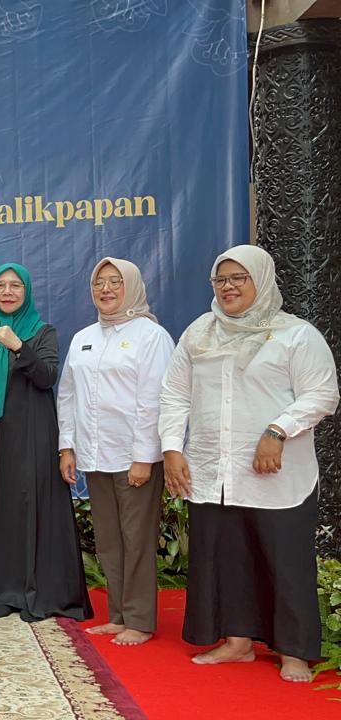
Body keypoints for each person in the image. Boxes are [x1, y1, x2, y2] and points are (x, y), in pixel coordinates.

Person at [159, 244, 338, 683]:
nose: (228, 287)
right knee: (227, 556)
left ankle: (294, 651)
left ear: (261, 280)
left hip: (276, 473)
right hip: (213, 469)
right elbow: (174, 394)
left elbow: (322, 393)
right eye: (221, 279)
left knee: (285, 560)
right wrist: (172, 447)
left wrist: (278, 430)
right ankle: (236, 642)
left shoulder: (295, 334)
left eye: (239, 278)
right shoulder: (199, 333)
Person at [0, 263, 91, 622]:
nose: (7, 292)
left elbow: (47, 377)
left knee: (28, 507)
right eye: (0, 285)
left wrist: (19, 347)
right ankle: (0, 591)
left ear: (27, 291)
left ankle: (33, 593)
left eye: (15, 285)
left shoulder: (42, 332)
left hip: (31, 433)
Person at [57, 258, 174, 645]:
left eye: (115, 282)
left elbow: (155, 400)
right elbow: (68, 395)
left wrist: (144, 456)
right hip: (94, 455)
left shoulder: (151, 337)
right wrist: (67, 446)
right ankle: (119, 615)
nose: (105, 290)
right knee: (109, 539)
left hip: (134, 458)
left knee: (136, 538)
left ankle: (139, 620)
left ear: (132, 286)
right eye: (99, 283)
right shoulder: (83, 337)